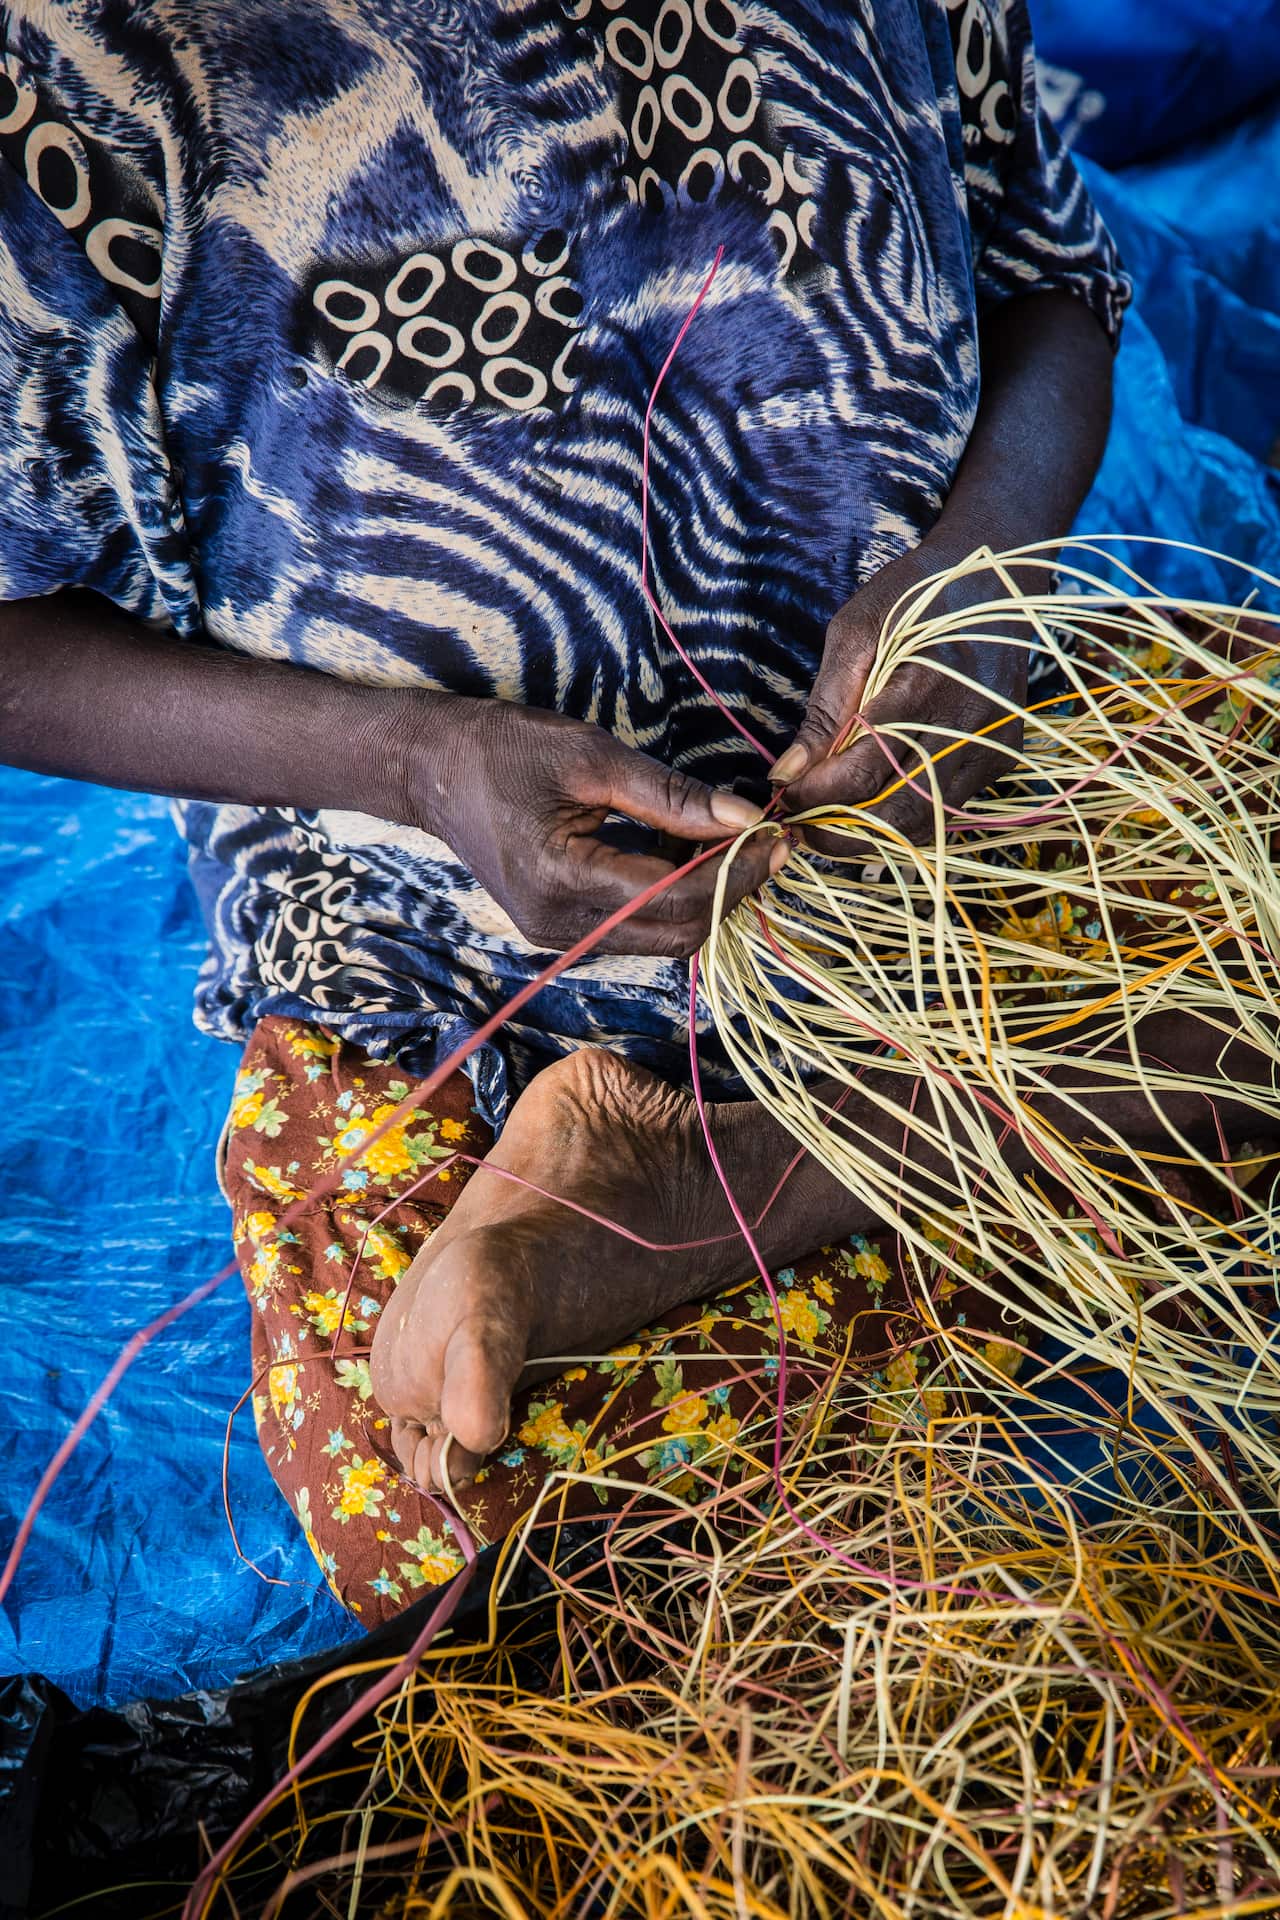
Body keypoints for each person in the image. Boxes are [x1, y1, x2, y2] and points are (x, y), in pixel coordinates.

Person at [0, 0, 1139, 1618]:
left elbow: (1053, 278)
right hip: (437, 948)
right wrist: (421, 767)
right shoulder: (86, 62)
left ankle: (736, 1178)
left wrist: (973, 568)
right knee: (458, 1521)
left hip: (929, 842)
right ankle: (803, 1164)